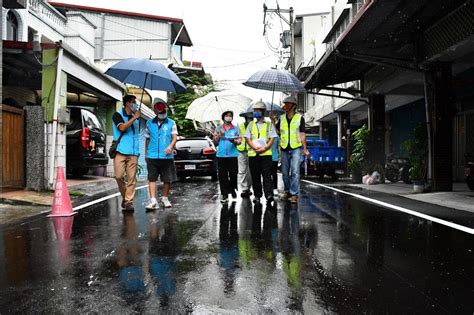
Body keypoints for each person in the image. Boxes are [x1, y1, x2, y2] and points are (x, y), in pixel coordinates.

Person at [144, 99, 178, 210]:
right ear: (155, 111)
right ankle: (153, 201)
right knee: (152, 178)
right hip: (152, 156)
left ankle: (165, 198)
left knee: (167, 179)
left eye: (164, 112)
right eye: (160, 112)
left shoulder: (171, 123)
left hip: (167, 156)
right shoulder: (149, 123)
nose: (163, 114)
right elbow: (147, 139)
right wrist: (146, 153)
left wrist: (170, 146)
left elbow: (174, 138)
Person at [277, 96, 310, 204]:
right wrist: (273, 120)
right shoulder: (281, 118)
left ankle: (294, 194)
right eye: (284, 103)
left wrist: (305, 149)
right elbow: (278, 132)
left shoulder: (299, 118)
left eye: (287, 104)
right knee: (285, 172)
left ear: (293, 106)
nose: (284, 106)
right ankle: (287, 191)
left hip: (296, 148)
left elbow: (302, 134)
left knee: (295, 171)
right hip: (284, 148)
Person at [245, 100, 278, 205]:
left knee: (267, 175)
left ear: (263, 112)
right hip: (253, 154)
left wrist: (265, 148)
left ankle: (269, 194)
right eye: (254, 111)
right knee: (255, 176)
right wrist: (254, 147)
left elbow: (272, 138)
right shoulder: (250, 124)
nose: (256, 112)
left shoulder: (269, 124)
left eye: (258, 110)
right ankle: (257, 195)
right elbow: (248, 138)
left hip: (266, 154)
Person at [112, 94, 141, 211]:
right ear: (128, 103)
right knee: (118, 176)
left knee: (131, 179)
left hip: (133, 153)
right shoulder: (117, 115)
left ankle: (129, 202)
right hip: (120, 151)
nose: (135, 104)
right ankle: (125, 197)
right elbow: (122, 128)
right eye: (133, 102)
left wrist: (135, 117)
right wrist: (134, 118)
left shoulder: (137, 119)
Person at [214, 110, 241, 203]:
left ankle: (232, 188)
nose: (228, 117)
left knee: (233, 174)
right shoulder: (218, 128)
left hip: (232, 155)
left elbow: (239, 140)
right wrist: (220, 134)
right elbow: (215, 141)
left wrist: (234, 141)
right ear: (223, 117)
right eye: (227, 116)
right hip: (221, 155)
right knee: (222, 176)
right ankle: (224, 194)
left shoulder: (236, 128)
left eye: (230, 116)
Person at [236, 114, 253, 198]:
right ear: (245, 118)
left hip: (251, 150)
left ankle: (248, 187)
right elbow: (237, 136)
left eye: (251, 118)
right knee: (242, 170)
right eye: (248, 118)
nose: (249, 119)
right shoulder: (240, 126)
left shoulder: (254, 126)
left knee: (250, 170)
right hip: (241, 150)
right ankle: (244, 188)